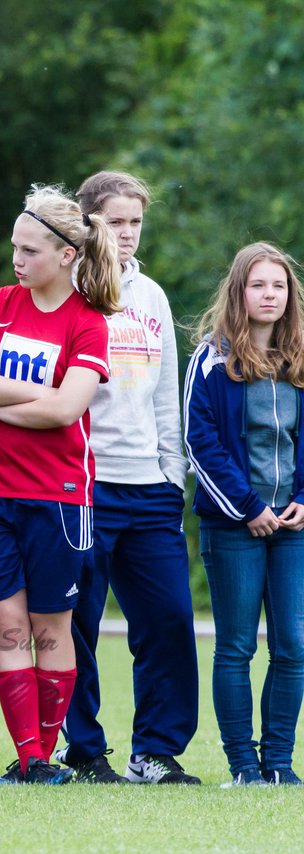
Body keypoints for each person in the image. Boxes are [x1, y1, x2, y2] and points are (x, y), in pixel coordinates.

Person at [0, 184, 119, 785]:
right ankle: (28, 759)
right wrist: (35, 398)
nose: (17, 261)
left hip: (58, 500)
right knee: (8, 626)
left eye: (30, 251)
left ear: (68, 255)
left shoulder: (88, 323)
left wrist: (3, 402)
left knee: (51, 627)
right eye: (15, 248)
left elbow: (65, 411)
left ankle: (45, 758)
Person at [58, 171, 200, 784]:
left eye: (135, 222)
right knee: (77, 624)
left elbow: (167, 394)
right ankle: (85, 752)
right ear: (88, 221)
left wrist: (172, 474)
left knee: (168, 619)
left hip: (150, 487)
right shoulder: (63, 294)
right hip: (81, 484)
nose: (126, 234)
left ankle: (156, 752)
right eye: (115, 222)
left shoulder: (153, 298)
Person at [184, 242, 304, 787]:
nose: (270, 294)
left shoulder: (301, 358)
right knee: (235, 645)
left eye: (278, 286)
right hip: (234, 526)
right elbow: (199, 440)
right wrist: (248, 506)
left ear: (290, 295)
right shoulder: (211, 359)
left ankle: (279, 764)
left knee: (294, 646)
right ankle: (243, 767)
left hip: (294, 527)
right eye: (258, 285)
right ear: (239, 292)